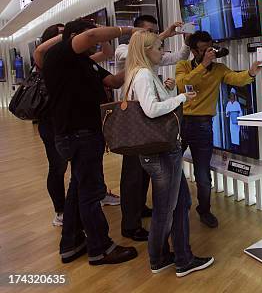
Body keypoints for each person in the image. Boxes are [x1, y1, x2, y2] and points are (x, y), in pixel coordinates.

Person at [38, 20, 139, 265]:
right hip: (77, 135)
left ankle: (71, 244)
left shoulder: (82, 62)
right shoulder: (59, 56)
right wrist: (129, 31)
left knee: (77, 191)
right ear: (75, 37)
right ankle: (100, 248)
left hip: (83, 135)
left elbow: (114, 82)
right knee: (91, 194)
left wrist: (139, 65)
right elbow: (92, 35)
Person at [124, 31, 214, 276]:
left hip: (162, 150)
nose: (163, 53)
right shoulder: (143, 74)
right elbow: (152, 111)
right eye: (159, 48)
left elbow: (152, 105)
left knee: (180, 202)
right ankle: (169, 259)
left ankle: (174, 256)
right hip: (161, 151)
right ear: (146, 50)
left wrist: (168, 92)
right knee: (166, 208)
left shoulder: (142, 74)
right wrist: (182, 97)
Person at [114, 14, 191, 242]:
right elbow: (151, 109)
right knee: (133, 180)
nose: (158, 39)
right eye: (151, 33)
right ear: (139, 36)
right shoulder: (126, 53)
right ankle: (131, 225)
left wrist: (186, 41)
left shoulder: (146, 66)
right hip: (138, 130)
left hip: (144, 131)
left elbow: (178, 56)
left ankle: (139, 214)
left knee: (143, 178)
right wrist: (181, 98)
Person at [176, 31, 262, 228]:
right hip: (181, 122)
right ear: (193, 51)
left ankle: (204, 210)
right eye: (203, 50)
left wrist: (251, 72)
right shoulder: (183, 66)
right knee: (172, 166)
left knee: (203, 175)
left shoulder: (219, 69)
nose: (209, 52)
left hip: (203, 125)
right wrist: (203, 65)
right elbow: (183, 84)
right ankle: (176, 204)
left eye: (210, 48)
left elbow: (236, 79)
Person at [34, 23, 115, 227]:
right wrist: (69, 37)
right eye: (60, 35)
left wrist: (96, 32)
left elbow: (107, 53)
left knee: (80, 177)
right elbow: (40, 50)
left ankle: (74, 225)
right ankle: (61, 211)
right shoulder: (50, 59)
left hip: (81, 126)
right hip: (55, 123)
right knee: (59, 168)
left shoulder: (80, 60)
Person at [225, 88, 243, 153]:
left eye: (232, 95)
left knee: (237, 134)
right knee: (232, 134)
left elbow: (241, 112)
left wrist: (238, 114)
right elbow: (226, 113)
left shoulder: (237, 103)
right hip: (231, 122)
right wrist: (228, 113)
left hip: (236, 121)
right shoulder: (228, 104)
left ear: (234, 96)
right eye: (230, 95)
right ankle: (234, 147)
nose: (231, 96)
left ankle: (238, 147)